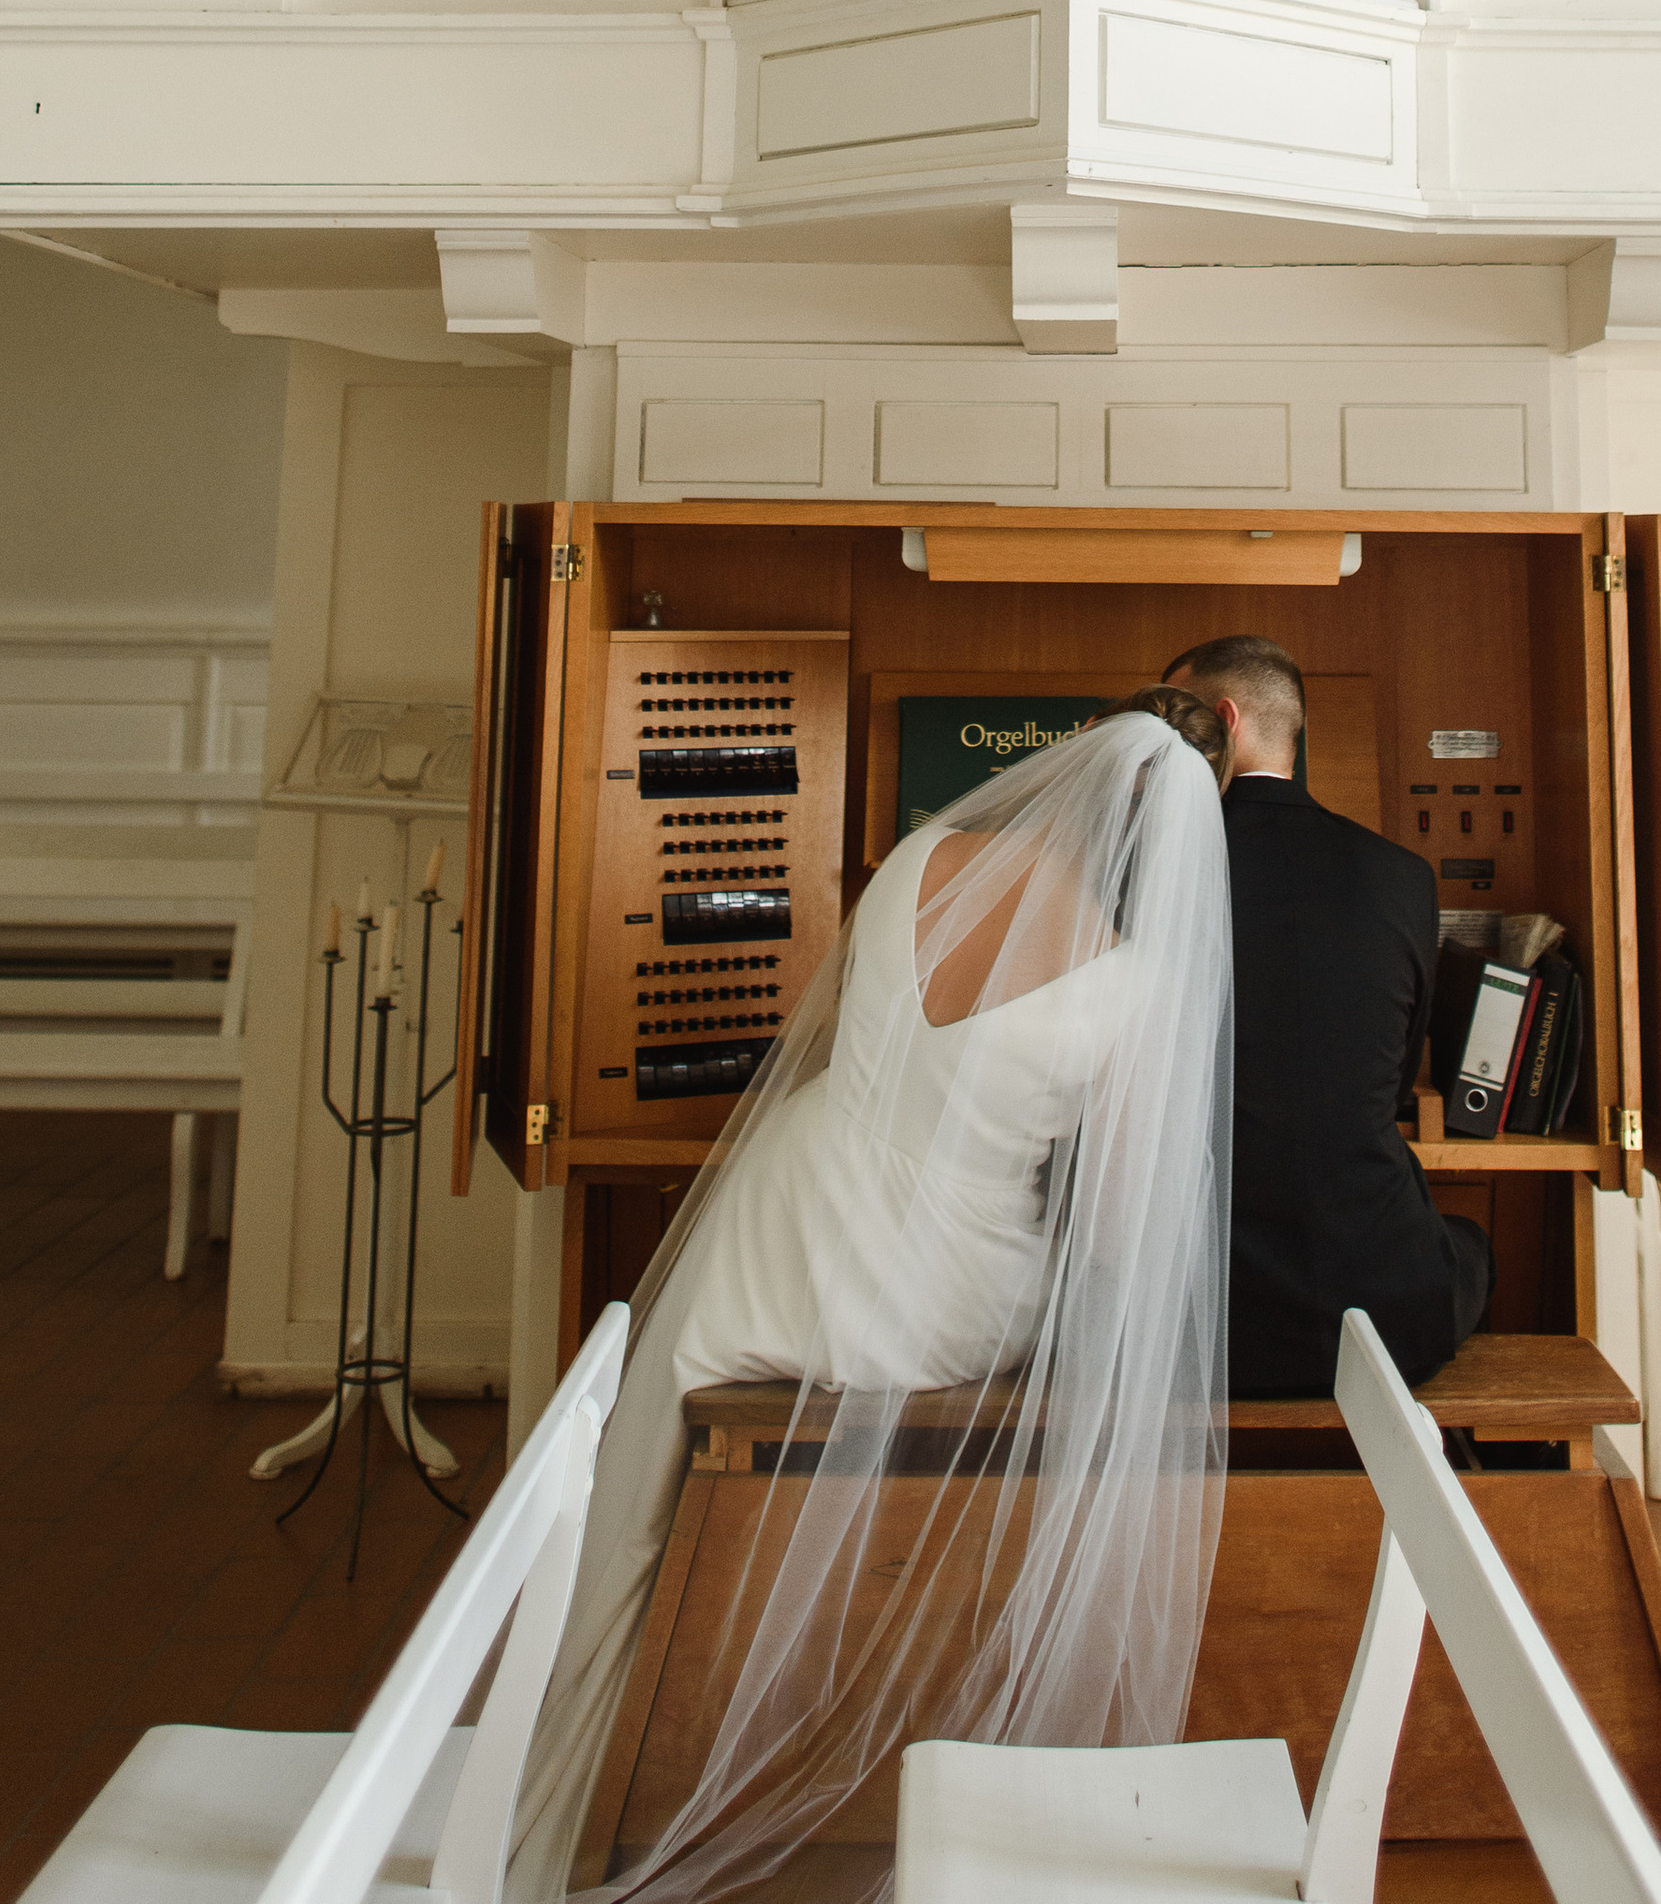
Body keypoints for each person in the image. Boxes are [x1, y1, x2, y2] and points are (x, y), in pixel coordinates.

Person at [511, 689, 1234, 1904]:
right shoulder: (1136, 983)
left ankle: (578, 1782)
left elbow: (844, 1032)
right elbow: (1117, 1224)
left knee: (644, 1473)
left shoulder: (918, 855)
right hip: (950, 1285)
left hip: (788, 1207)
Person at [1160, 630, 1491, 1397]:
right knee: (1472, 1244)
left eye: (1174, 715)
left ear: (1223, 719)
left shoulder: (1149, 868)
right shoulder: (1404, 876)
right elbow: (1396, 1081)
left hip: (1196, 1314)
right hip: (1381, 1312)